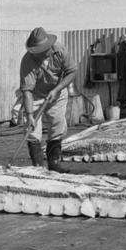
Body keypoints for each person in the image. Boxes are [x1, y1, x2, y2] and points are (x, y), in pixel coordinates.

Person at [19, 27, 77, 173]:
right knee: (32, 130)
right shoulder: (28, 60)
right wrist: (30, 115)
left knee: (57, 125)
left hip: (58, 90)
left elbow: (72, 72)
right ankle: (38, 166)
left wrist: (57, 90)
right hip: (36, 95)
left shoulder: (60, 50)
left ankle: (54, 163)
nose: (38, 54)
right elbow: (27, 91)